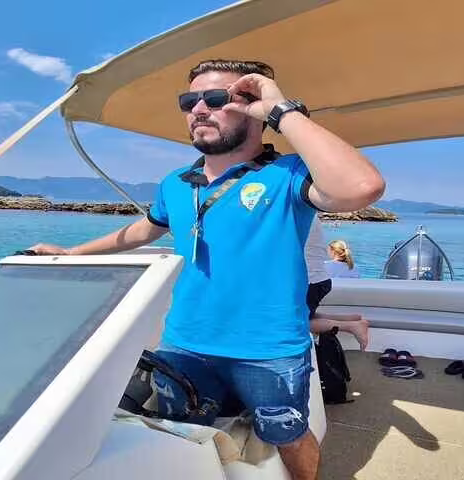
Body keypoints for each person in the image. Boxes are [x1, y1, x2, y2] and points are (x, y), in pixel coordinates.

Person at [30, 59, 385, 480]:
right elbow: (144, 229)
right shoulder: (176, 183)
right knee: (182, 435)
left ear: (254, 109)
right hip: (184, 343)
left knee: (287, 435)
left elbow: (362, 187)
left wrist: (281, 110)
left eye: (216, 99)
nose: (199, 109)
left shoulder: (288, 174)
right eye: (189, 101)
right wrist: (75, 253)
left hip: (268, 349)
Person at [305, 216, 369, 350]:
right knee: (303, 313)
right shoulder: (307, 213)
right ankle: (350, 319)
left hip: (308, 280)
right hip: (317, 280)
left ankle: (352, 326)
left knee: (292, 322)